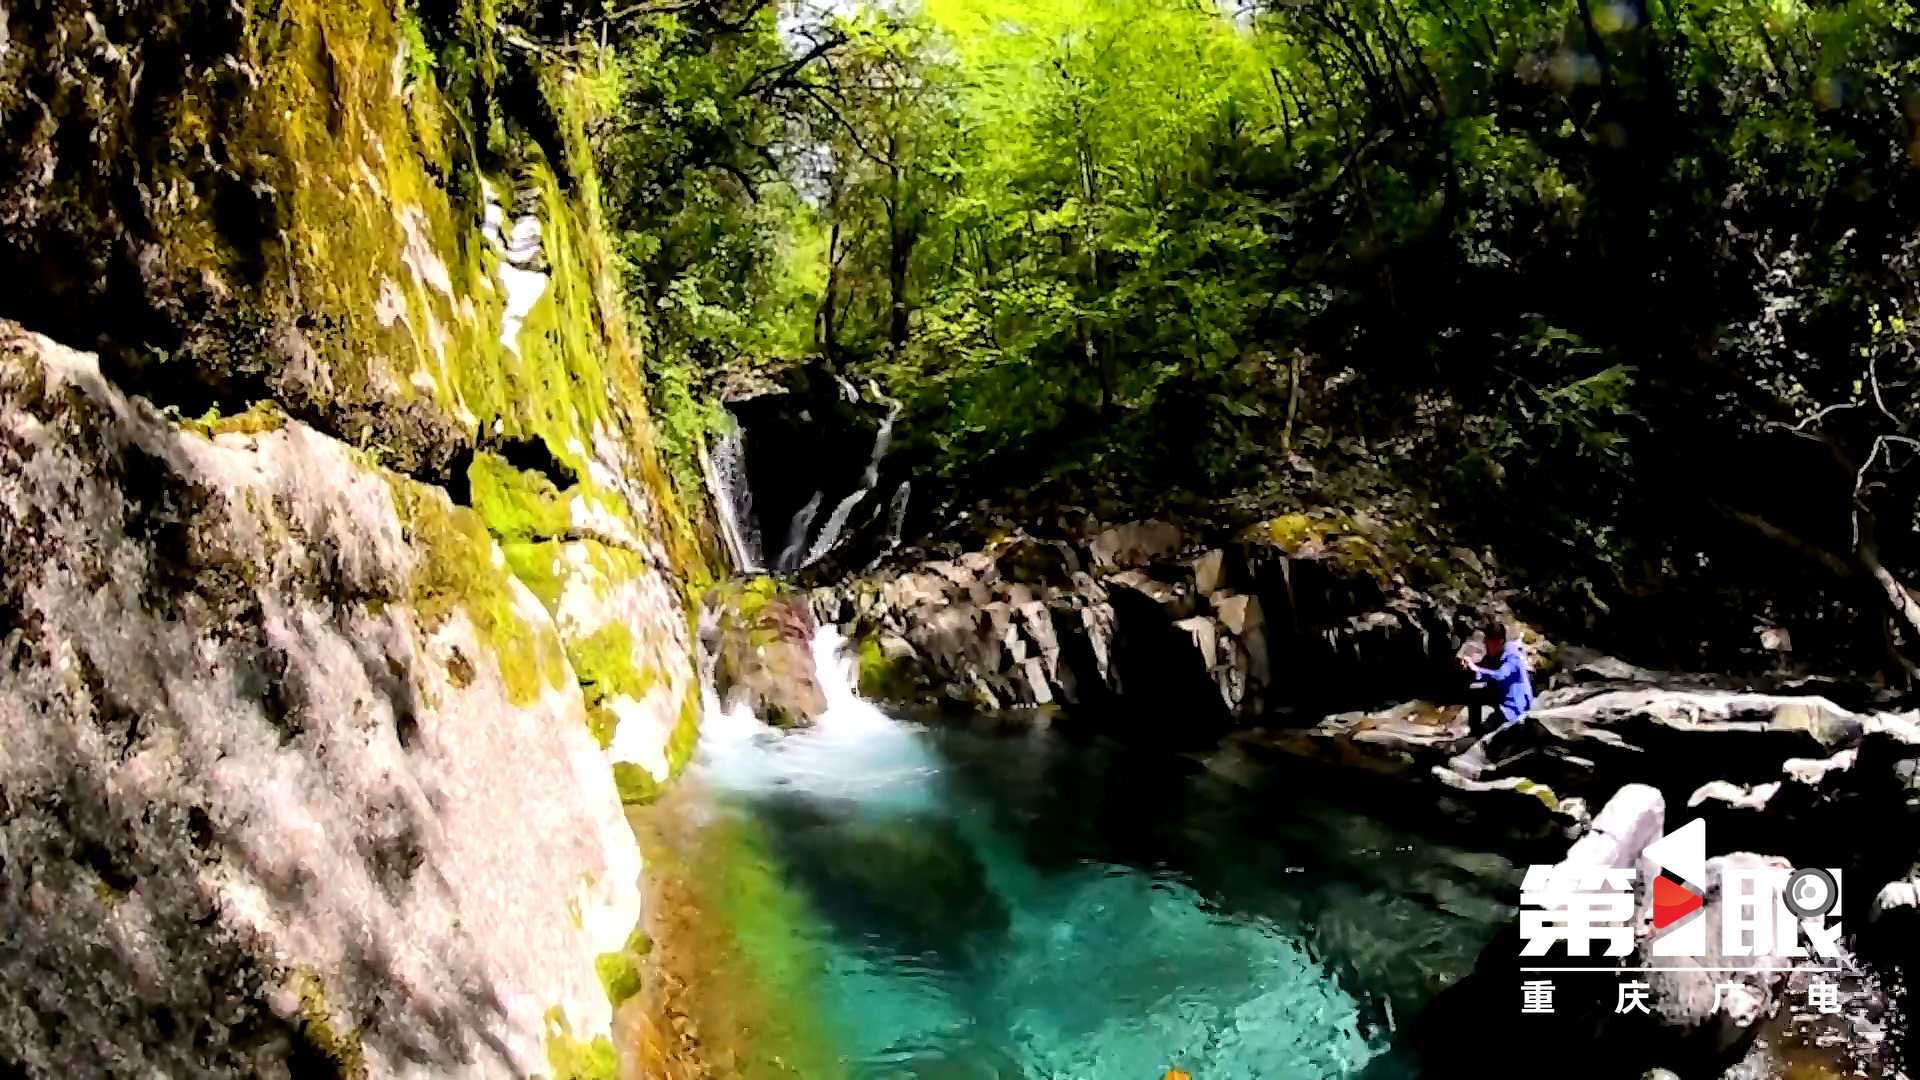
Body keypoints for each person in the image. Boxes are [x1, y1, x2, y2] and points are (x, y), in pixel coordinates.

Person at [1455, 620, 1535, 737]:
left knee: (1487, 730)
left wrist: (1476, 669)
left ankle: (1480, 734)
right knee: (1474, 693)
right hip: (1500, 695)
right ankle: (1474, 732)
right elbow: (1482, 670)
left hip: (1514, 706)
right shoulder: (1495, 654)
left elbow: (1500, 676)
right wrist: (1466, 666)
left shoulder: (1512, 656)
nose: (1486, 645)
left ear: (1499, 642)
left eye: (1489, 642)